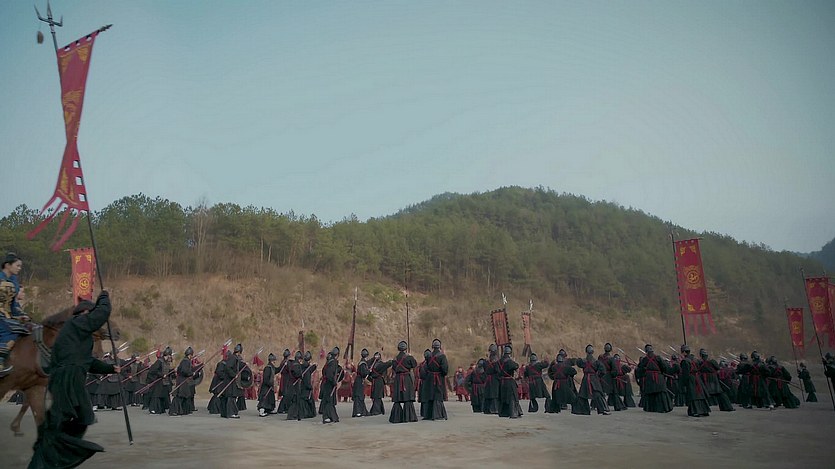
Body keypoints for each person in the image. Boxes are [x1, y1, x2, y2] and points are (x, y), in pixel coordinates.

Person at [28, 291, 116, 468]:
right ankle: (44, 461)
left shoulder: (77, 335)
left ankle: (59, 453)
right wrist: (104, 298)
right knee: (58, 424)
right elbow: (102, 313)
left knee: (82, 417)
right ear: (85, 313)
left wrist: (111, 368)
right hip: (65, 380)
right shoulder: (77, 323)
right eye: (90, 315)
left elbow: (87, 361)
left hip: (70, 379)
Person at [0, 252, 28, 375]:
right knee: (11, 331)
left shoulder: (14, 282)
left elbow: (13, 304)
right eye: (17, 265)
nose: (19, 268)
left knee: (27, 328)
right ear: (7, 265)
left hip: (7, 316)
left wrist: (22, 315)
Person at [635, 344, 672, 413]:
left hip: (649, 378)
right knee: (660, 393)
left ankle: (651, 408)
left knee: (651, 394)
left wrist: (643, 373)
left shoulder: (644, 360)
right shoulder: (658, 358)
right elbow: (664, 367)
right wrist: (662, 372)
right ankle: (662, 408)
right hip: (659, 377)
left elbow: (639, 370)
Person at [574, 345, 610, 415]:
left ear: (586, 351)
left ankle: (583, 410)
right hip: (593, 378)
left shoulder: (583, 361)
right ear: (593, 352)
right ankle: (603, 409)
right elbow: (603, 371)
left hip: (586, 378)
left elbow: (578, 363)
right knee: (597, 394)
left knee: (583, 394)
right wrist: (598, 376)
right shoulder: (596, 362)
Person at [389, 340, 418, 423]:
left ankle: (396, 418)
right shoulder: (409, 357)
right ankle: (408, 417)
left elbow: (394, 368)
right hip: (406, 378)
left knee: (397, 399)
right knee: (407, 398)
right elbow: (414, 365)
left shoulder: (395, 359)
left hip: (398, 379)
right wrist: (411, 356)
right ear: (405, 349)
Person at [680, 344, 710, 417]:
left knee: (693, 394)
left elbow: (685, 373)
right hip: (697, 377)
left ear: (684, 352)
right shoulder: (695, 359)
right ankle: (704, 410)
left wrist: (684, 383)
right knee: (699, 394)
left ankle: (696, 411)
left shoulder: (685, 361)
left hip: (691, 378)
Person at [424, 339, 449, 420]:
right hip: (439, 377)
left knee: (431, 395)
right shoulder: (442, 356)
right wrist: (442, 374)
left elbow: (426, 367)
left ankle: (429, 415)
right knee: (438, 395)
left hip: (430, 377)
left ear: (432, 346)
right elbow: (445, 369)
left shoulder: (429, 356)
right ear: (439, 346)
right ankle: (438, 414)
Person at [497, 344, 522, 418]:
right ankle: (513, 413)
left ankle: (503, 413)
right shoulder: (509, 361)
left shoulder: (499, 361)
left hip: (502, 382)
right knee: (512, 397)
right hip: (509, 381)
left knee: (503, 397)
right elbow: (516, 366)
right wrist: (513, 361)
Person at [170, 347, 195, 416]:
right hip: (182, 380)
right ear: (190, 355)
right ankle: (174, 410)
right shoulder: (185, 361)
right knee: (179, 395)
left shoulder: (186, 361)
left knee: (185, 395)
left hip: (184, 380)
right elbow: (184, 371)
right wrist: (191, 373)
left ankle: (184, 410)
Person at [147, 347, 174, 415]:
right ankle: (153, 409)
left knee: (163, 395)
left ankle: (161, 408)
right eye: (169, 355)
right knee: (156, 395)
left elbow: (167, 371)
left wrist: (173, 371)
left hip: (164, 382)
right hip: (158, 381)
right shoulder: (159, 361)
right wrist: (161, 375)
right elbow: (153, 370)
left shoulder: (166, 362)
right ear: (167, 355)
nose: (170, 357)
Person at [320, 347, 342, 424]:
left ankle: (331, 416)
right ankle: (327, 417)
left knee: (329, 401)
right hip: (329, 385)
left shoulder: (330, 362)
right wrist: (334, 382)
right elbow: (329, 374)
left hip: (327, 384)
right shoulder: (332, 362)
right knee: (328, 401)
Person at [367, 351, 390, 416]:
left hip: (377, 381)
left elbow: (387, 364)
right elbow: (387, 364)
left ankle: (379, 410)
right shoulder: (373, 365)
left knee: (377, 395)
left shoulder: (376, 364)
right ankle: (377, 410)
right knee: (377, 396)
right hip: (377, 381)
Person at [352, 349, 371, 417]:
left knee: (361, 396)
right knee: (358, 396)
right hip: (359, 381)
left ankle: (362, 411)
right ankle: (358, 412)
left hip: (360, 380)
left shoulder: (362, 362)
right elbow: (363, 373)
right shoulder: (363, 363)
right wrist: (368, 371)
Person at [275, 349, 292, 414]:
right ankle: (283, 408)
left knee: (285, 394)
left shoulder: (284, 362)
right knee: (286, 394)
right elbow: (289, 371)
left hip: (284, 378)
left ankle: (283, 408)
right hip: (286, 379)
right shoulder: (285, 363)